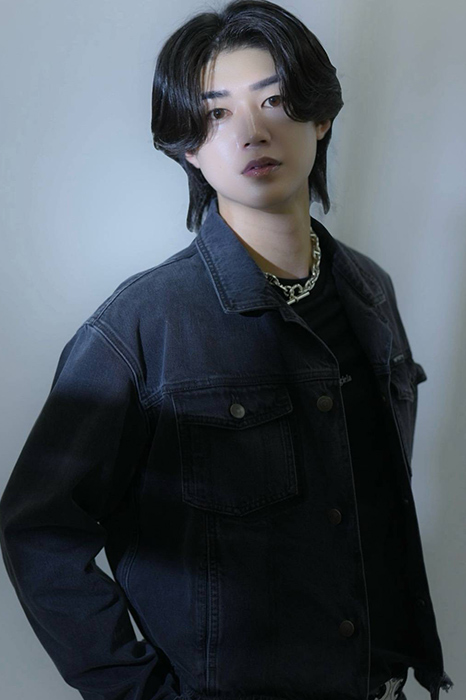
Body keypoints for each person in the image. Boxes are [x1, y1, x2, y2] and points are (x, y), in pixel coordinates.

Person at [0, 2, 454, 700]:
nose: (251, 130)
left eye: (273, 99)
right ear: (188, 147)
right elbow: (37, 528)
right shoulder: (141, 326)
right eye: (215, 114)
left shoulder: (370, 292)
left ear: (319, 117)